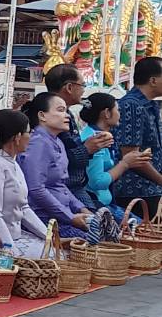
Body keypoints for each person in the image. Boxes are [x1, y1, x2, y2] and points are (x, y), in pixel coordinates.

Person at [18, 92, 117, 244]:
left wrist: (82, 210)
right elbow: (36, 189)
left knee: (111, 234)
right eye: (60, 110)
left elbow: (61, 186)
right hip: (44, 218)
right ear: (42, 116)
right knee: (96, 244)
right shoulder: (37, 143)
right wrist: (70, 217)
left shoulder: (57, 142)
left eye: (65, 110)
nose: (67, 115)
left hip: (62, 213)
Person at [0, 109, 50, 258]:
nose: (31, 136)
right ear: (17, 137)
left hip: (13, 236)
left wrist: (49, 237)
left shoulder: (12, 163)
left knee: (55, 253)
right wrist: (11, 250)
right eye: (29, 132)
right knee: (44, 259)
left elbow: (24, 207)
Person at [45, 63, 113, 211]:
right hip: (63, 190)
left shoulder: (67, 114)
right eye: (82, 85)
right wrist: (86, 149)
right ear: (69, 87)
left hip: (74, 189)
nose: (84, 90)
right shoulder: (51, 118)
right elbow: (56, 160)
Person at [78, 91, 148, 224]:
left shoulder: (100, 135)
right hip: (97, 206)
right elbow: (97, 182)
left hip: (106, 204)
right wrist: (124, 164)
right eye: (117, 110)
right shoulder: (96, 140)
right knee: (140, 228)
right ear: (106, 113)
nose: (120, 114)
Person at [113, 56, 162, 220]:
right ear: (153, 80)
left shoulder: (150, 105)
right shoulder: (131, 105)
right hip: (136, 189)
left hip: (152, 187)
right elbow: (131, 155)